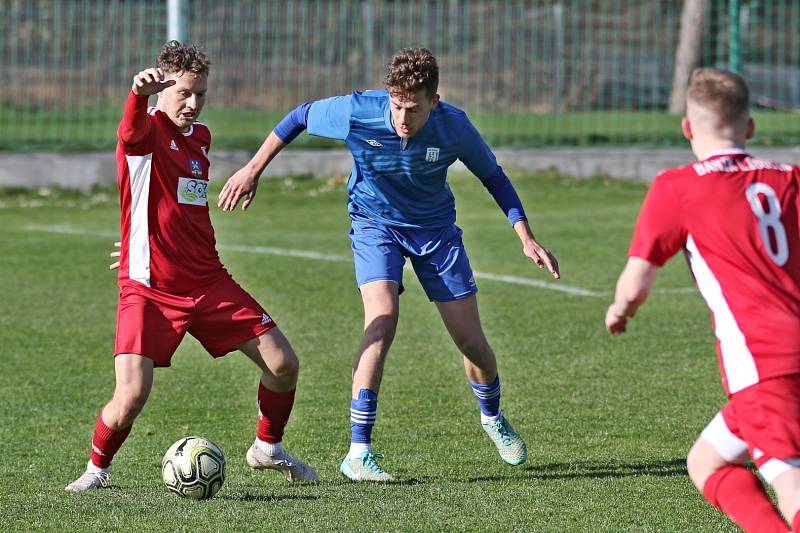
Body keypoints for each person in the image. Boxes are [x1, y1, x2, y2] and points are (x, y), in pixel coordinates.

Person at [218, 47, 560, 481]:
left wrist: (524, 234)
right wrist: (253, 168)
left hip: (435, 232)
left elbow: (493, 176)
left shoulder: (454, 126)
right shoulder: (358, 111)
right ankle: (358, 452)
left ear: (434, 102)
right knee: (382, 321)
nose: (402, 117)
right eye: (397, 105)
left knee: (472, 343)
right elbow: (299, 116)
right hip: (374, 224)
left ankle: (491, 416)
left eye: (413, 109)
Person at [65, 41, 318, 493]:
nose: (193, 103)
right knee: (131, 398)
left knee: (283, 364)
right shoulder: (144, 132)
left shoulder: (200, 137)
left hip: (208, 281)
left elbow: (173, 207)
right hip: (149, 288)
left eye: (200, 93)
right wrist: (137, 95)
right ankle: (96, 471)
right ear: (162, 90)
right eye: (183, 92)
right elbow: (130, 133)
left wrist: (144, 239)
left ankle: (268, 447)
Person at [605, 67, 800, 531]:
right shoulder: (790, 178)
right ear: (749, 127)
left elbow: (635, 285)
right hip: (777, 368)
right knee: (707, 462)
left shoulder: (679, 187)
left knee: (790, 483)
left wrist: (620, 309)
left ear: (687, 127)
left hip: (766, 366)